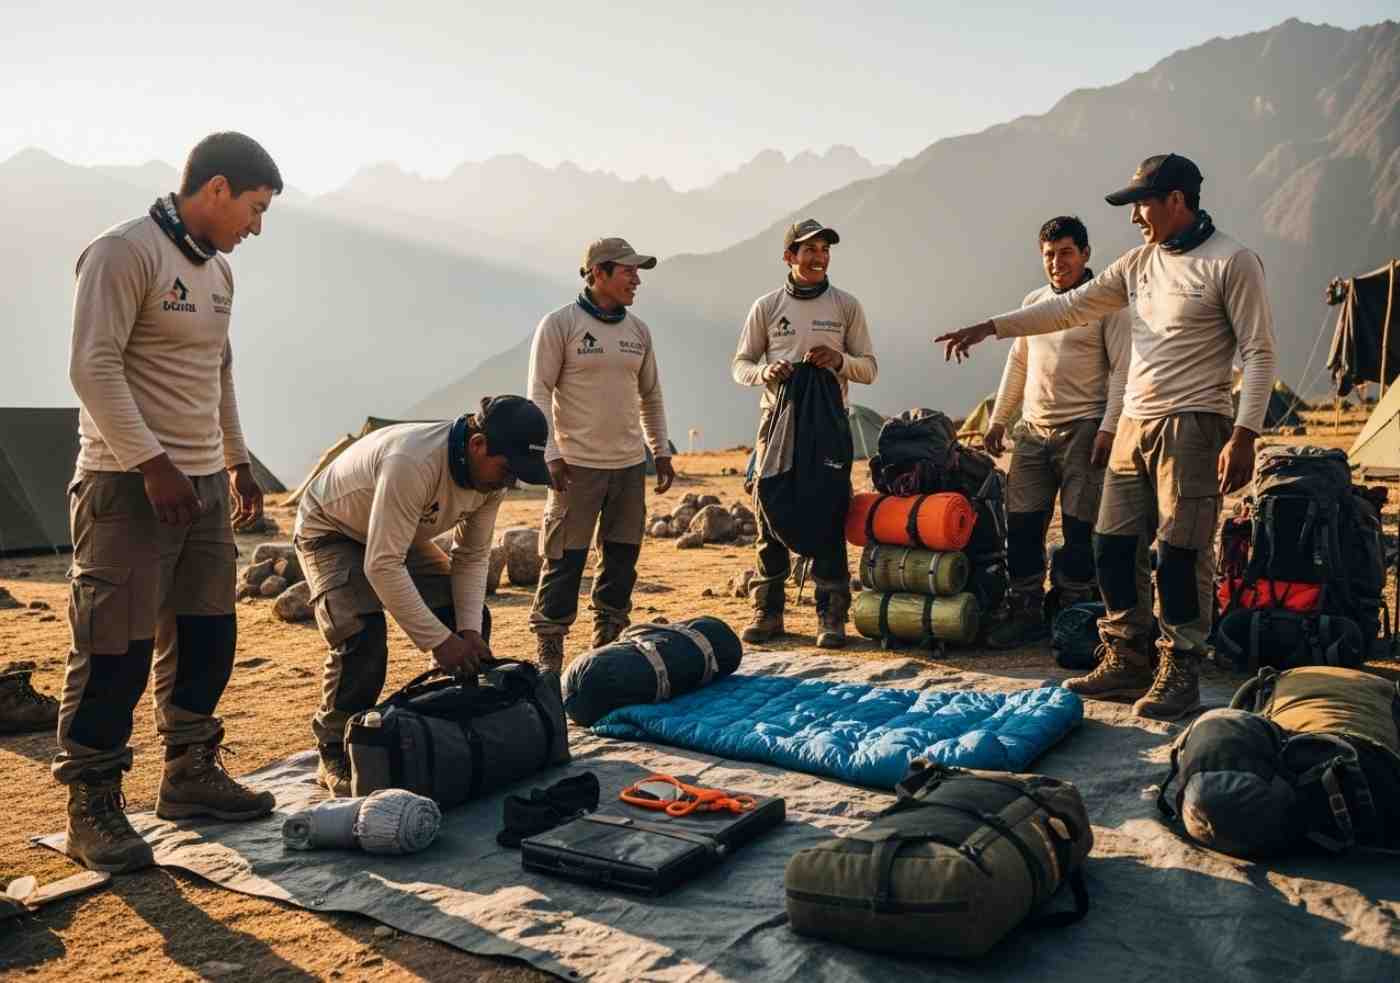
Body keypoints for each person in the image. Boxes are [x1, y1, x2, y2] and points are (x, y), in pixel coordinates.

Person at [936, 154, 1277, 720]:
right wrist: (992, 327)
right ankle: (1126, 658)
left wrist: (1245, 434)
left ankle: (1181, 666)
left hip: (1194, 422)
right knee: (1111, 545)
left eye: (1142, 203)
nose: (1136, 216)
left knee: (1179, 551)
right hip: (1133, 426)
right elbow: (1067, 308)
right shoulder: (1138, 263)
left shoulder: (1232, 261)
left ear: (1176, 200)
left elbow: (1260, 352)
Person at [57, 132, 282, 872]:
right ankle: (92, 805)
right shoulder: (123, 253)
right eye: (253, 208)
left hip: (204, 484)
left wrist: (236, 462)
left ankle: (189, 773)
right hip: (127, 483)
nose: (256, 227)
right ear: (215, 189)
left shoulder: (218, 270)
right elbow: (91, 367)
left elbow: (219, 371)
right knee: (113, 645)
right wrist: (151, 463)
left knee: (208, 633)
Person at [294, 396, 551, 795]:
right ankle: (334, 748)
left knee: (470, 625)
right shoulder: (412, 462)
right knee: (361, 634)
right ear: (478, 444)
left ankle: (457, 721)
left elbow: (471, 554)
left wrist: (463, 631)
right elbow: (381, 564)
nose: (508, 481)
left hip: (402, 533)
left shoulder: (491, 478)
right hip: (331, 529)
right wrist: (438, 642)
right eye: (506, 469)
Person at [984, 216, 1131, 649]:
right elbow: (1019, 363)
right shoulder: (1034, 301)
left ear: (1086, 254)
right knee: (1023, 523)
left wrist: (1108, 426)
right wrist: (997, 419)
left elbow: (1123, 368)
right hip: (1032, 429)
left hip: (1084, 429)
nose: (1056, 262)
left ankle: (1073, 612)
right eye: (1048, 254)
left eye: (1065, 252)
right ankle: (1026, 609)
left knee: (1079, 528)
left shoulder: (1108, 304)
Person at [527, 238, 673, 672]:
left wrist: (660, 450)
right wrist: (549, 453)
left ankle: (607, 643)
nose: (637, 279)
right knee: (564, 560)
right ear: (598, 273)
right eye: (628, 271)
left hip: (629, 466)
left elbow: (651, 395)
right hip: (575, 465)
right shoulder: (559, 324)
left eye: (637, 271)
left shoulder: (638, 331)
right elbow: (538, 394)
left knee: (621, 560)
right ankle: (550, 648)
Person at [732, 219, 878, 648]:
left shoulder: (846, 306)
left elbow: (869, 367)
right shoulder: (767, 306)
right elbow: (740, 364)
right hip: (775, 423)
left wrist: (838, 360)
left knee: (829, 510)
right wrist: (766, 372)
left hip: (829, 426)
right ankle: (768, 610)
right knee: (769, 510)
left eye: (823, 249)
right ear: (789, 257)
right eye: (808, 249)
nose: (818, 257)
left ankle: (830, 615)